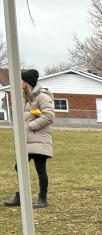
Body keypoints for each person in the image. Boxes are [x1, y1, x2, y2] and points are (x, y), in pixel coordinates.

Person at [4, 68, 55, 209]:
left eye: (22, 80)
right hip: (27, 140)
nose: (20, 82)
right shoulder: (28, 97)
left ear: (27, 82)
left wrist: (30, 126)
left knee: (40, 169)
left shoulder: (42, 96)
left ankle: (42, 199)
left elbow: (49, 116)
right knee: (19, 167)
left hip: (39, 139)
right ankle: (20, 196)